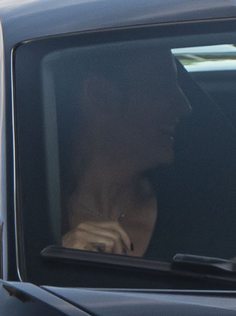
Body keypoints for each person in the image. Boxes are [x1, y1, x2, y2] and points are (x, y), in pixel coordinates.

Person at [58, 56, 193, 257]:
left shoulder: (194, 211)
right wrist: (61, 258)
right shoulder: (17, 216)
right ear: (100, 95)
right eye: (162, 88)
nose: (185, 107)